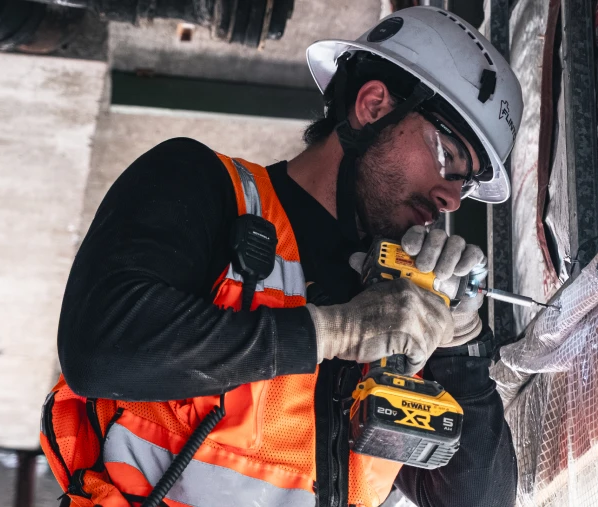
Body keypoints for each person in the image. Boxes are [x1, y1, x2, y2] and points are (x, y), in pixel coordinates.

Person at [38, 6, 524, 507]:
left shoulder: (396, 318)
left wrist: (459, 344)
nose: (451, 199)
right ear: (374, 106)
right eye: (448, 156)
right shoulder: (202, 189)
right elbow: (101, 351)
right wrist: (331, 332)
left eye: (465, 184)